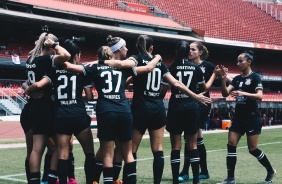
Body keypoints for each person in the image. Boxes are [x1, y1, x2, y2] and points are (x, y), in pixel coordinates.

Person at [103, 36, 212, 184]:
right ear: (152, 48)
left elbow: (126, 72)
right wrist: (194, 96)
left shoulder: (136, 59)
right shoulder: (160, 64)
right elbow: (177, 84)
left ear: (137, 47)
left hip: (140, 108)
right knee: (158, 150)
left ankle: (128, 180)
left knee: (131, 150)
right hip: (158, 110)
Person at [63, 46, 162, 184]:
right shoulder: (123, 68)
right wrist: (157, 57)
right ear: (111, 56)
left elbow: (68, 66)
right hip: (124, 110)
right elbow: (147, 68)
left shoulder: (94, 67)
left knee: (107, 155)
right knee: (127, 154)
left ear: (98, 57)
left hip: (106, 111)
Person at [26, 39, 95, 184]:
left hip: (61, 116)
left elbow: (39, 84)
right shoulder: (83, 72)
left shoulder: (54, 70)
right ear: (76, 56)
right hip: (79, 115)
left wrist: (27, 89)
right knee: (89, 153)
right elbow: (89, 96)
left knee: (62, 155)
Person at [220, 51, 276, 184]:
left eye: (241, 61)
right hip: (238, 117)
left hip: (252, 117)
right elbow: (224, 93)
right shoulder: (237, 79)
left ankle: (270, 170)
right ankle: (230, 178)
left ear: (249, 62)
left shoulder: (255, 77)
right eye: (237, 61)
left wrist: (243, 93)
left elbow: (260, 96)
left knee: (253, 149)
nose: (238, 63)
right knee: (231, 144)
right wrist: (223, 79)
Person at [165, 41, 215, 184]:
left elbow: (163, 91)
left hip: (176, 108)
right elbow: (204, 87)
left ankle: (175, 179)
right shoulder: (197, 69)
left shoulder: (170, 69)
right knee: (193, 145)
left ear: (176, 52)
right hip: (192, 108)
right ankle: (196, 180)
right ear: (188, 52)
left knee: (176, 147)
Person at [25, 32, 71, 184]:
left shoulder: (30, 59)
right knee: (61, 145)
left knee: (36, 149)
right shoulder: (46, 59)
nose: (56, 52)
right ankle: (51, 177)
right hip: (46, 106)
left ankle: (34, 181)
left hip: (34, 107)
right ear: (49, 46)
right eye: (54, 48)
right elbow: (66, 55)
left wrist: (28, 89)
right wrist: (55, 46)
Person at [178, 41, 223, 182]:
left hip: (202, 104)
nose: (190, 52)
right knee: (197, 138)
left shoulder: (207, 66)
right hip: (188, 103)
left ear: (200, 52)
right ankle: (203, 171)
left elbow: (224, 78)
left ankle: (185, 171)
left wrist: (228, 78)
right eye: (189, 49)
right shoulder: (185, 65)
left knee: (190, 136)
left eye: (193, 49)